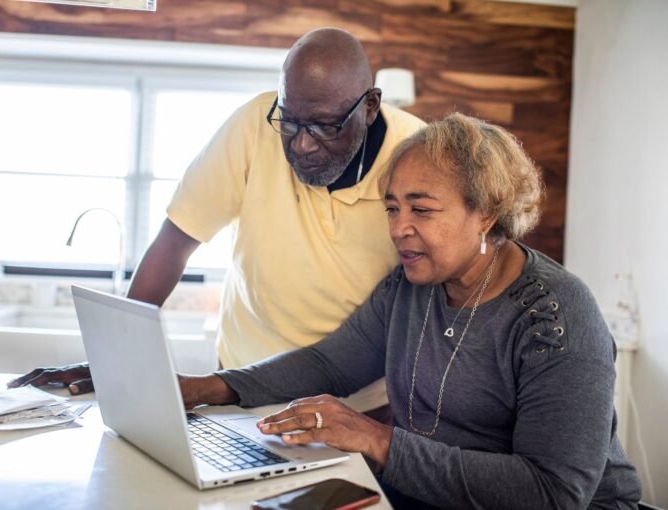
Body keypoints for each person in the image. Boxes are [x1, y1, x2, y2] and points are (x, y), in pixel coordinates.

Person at [178, 113, 643, 509]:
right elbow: (328, 363)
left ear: (485, 213)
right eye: (392, 209)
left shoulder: (555, 318)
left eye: (421, 211)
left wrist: (378, 440)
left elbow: (555, 492)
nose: (399, 229)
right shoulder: (410, 287)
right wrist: (208, 388)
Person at [8, 27, 427, 411]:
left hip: (359, 400)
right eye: (291, 122)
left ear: (370, 106)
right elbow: (175, 243)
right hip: (243, 382)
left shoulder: (416, 155)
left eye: (323, 127)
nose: (303, 145)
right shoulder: (253, 126)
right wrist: (114, 358)